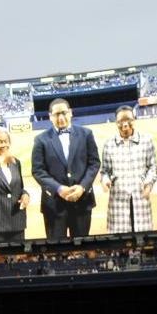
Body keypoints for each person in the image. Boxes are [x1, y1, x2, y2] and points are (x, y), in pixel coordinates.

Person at [31, 98, 101, 239]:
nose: (61, 117)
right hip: (54, 206)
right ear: (50, 117)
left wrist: (82, 187)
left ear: (71, 113)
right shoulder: (41, 139)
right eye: (56, 114)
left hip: (82, 202)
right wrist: (59, 188)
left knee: (82, 247)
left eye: (64, 113)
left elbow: (94, 163)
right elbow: (38, 170)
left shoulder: (86, 134)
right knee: (56, 251)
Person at [101, 106, 157, 233]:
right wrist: (105, 181)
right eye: (121, 120)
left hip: (140, 199)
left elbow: (153, 166)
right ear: (116, 122)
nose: (125, 124)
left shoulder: (146, 141)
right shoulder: (109, 144)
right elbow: (105, 170)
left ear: (134, 120)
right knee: (120, 243)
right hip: (118, 201)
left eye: (128, 119)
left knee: (143, 239)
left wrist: (148, 184)